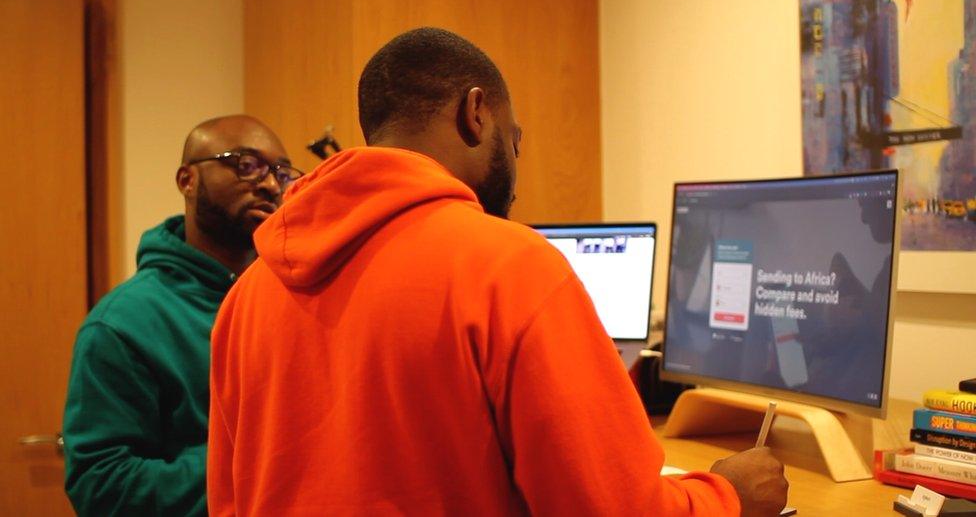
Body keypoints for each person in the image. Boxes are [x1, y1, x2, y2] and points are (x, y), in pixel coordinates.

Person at [208, 28, 788, 516]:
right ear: (476, 112)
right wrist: (729, 496)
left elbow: (228, 503)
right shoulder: (510, 266)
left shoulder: (249, 295)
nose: (516, 162)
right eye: (515, 138)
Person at [62, 115, 300, 516]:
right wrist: (253, 463)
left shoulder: (291, 296)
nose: (271, 185)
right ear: (187, 180)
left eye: (281, 172)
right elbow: (100, 485)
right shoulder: (122, 324)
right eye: (246, 165)